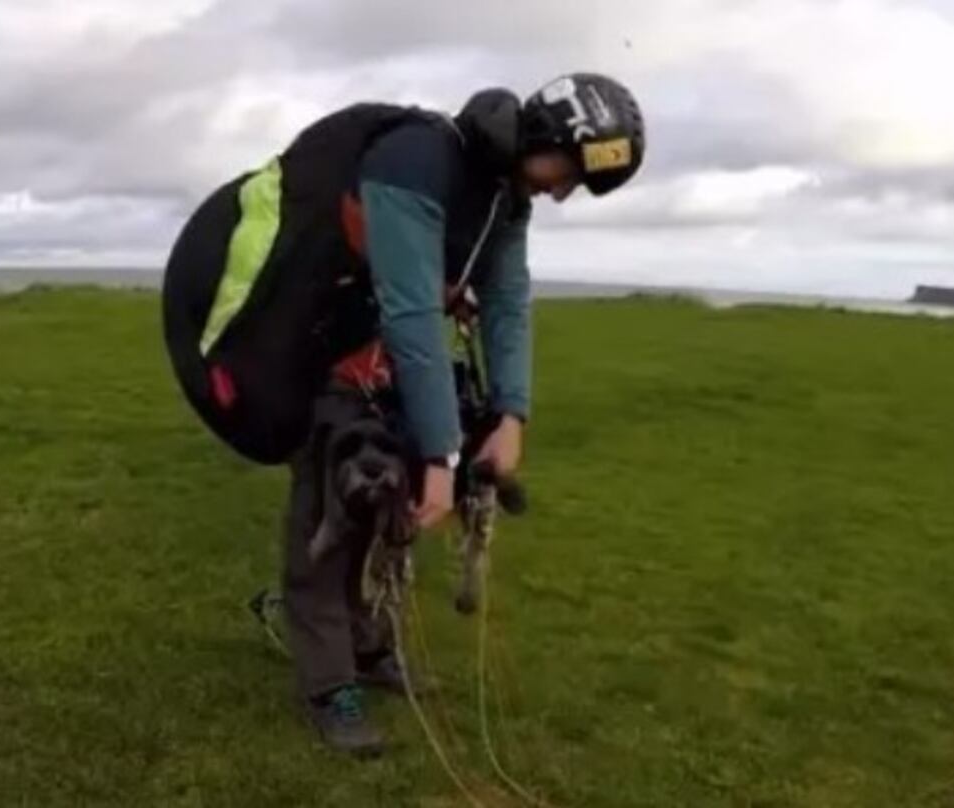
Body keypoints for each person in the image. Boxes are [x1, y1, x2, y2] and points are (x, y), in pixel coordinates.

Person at [161, 73, 645, 757]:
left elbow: (506, 300)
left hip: (364, 346)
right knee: (332, 501)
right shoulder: (415, 161)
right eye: (568, 170)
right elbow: (413, 314)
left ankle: (366, 645)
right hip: (300, 342)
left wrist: (511, 414)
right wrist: (444, 460)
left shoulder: (507, 199)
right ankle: (331, 685)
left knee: (382, 502)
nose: (563, 190)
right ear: (543, 135)